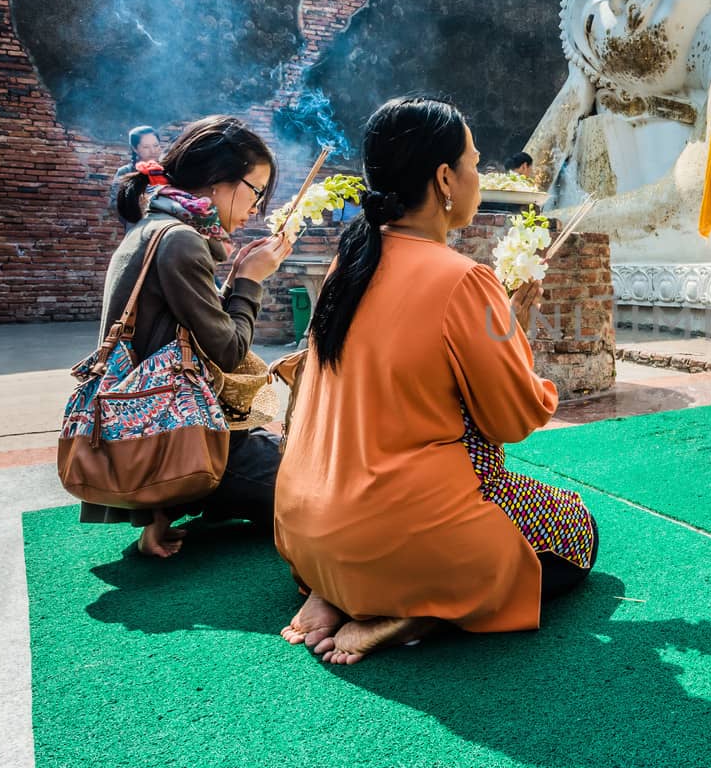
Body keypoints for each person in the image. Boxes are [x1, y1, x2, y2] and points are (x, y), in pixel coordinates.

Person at [274, 97, 598, 665]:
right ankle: (419, 606)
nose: (478, 176)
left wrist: (505, 324)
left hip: (306, 531)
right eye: (473, 163)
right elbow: (513, 416)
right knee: (580, 531)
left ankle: (336, 590)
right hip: (399, 535)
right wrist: (516, 339)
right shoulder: (465, 280)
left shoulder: (345, 264)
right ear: (445, 178)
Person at [87, 115, 293, 557]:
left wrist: (236, 275)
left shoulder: (153, 227)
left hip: (159, 440)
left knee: (298, 456)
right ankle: (197, 492)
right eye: (256, 192)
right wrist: (251, 282)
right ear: (219, 181)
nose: (256, 208)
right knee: (323, 489)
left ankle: (182, 498)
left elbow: (170, 338)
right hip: (190, 445)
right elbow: (229, 350)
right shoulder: (181, 241)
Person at [109, 126, 165, 231]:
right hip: (137, 228)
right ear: (135, 149)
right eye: (146, 147)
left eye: (156, 145)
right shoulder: (125, 172)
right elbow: (114, 204)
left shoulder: (167, 170)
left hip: (164, 229)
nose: (153, 151)